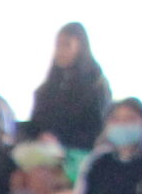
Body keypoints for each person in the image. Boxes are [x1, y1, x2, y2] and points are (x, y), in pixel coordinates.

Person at [28, 23, 110, 151]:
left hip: (80, 153)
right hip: (44, 151)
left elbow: (96, 130)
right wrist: (41, 137)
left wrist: (60, 141)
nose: (60, 51)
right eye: (58, 45)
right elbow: (35, 124)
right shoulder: (46, 89)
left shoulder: (96, 86)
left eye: (66, 45)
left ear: (81, 47)